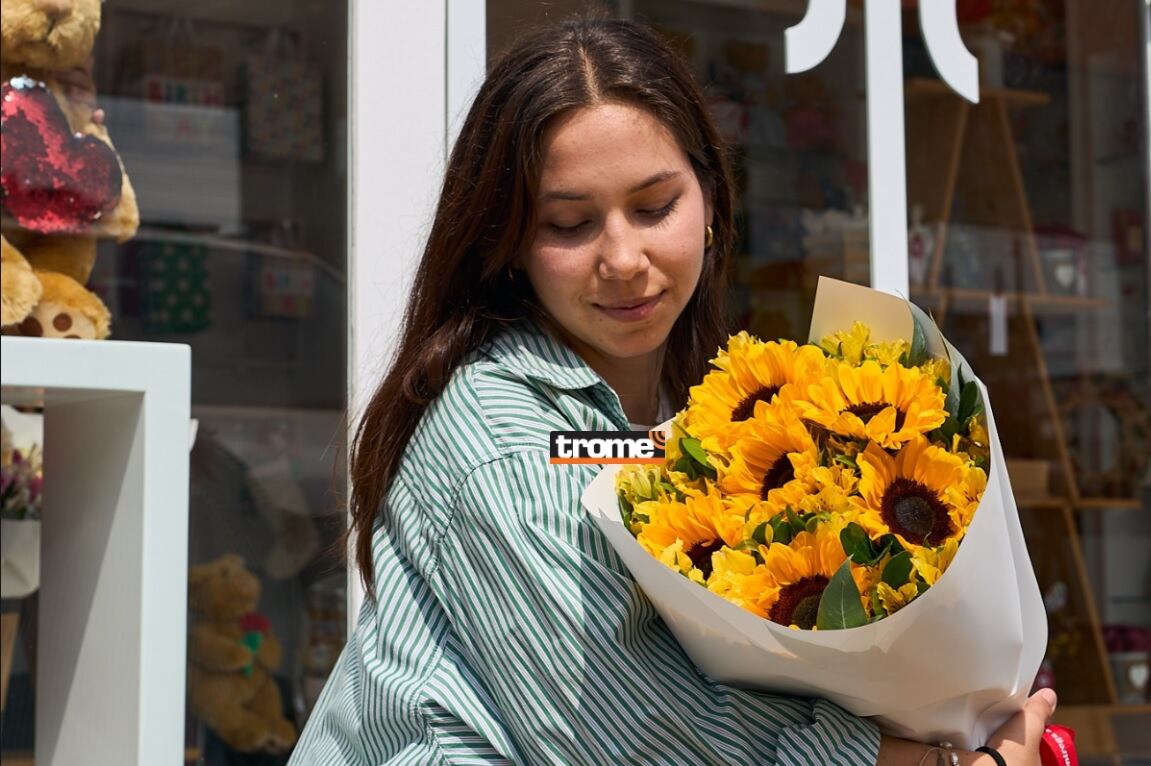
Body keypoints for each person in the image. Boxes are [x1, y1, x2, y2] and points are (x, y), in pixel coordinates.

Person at [292, 17, 1056, 766]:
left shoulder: (682, 419)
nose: (622, 258)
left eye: (654, 207)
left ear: (713, 204)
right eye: (568, 224)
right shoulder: (503, 439)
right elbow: (634, 738)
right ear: (509, 244)